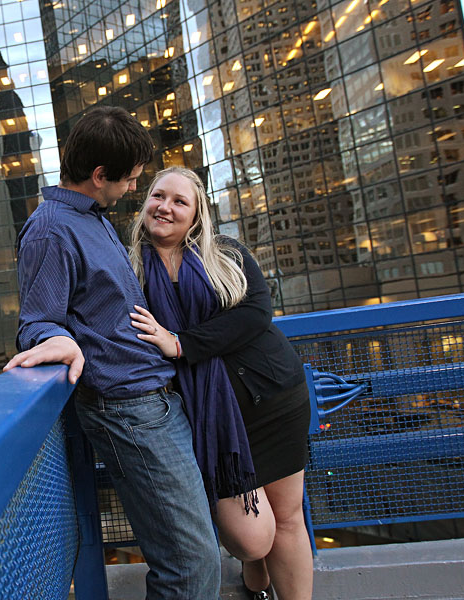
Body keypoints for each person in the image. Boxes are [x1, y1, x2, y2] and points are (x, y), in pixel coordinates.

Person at [3, 108, 220, 599]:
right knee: (191, 564)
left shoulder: (92, 218)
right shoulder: (51, 230)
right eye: (129, 181)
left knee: (193, 555)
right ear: (99, 176)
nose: (131, 191)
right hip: (130, 412)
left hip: (160, 403)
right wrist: (50, 339)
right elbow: (37, 320)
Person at [127, 167, 313, 600]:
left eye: (180, 201)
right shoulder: (129, 267)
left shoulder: (224, 252)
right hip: (208, 416)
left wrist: (181, 344)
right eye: (159, 196)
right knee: (250, 537)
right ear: (145, 203)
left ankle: (267, 589)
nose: (166, 207)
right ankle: (255, 566)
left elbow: (255, 313)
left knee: (285, 519)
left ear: (196, 215)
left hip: (273, 398)